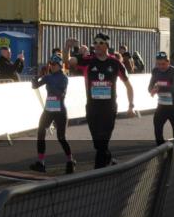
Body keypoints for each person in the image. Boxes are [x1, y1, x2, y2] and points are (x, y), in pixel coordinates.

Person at [79, 33, 135, 169]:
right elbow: (68, 62)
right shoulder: (88, 60)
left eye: (100, 43)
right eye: (95, 43)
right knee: (98, 144)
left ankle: (98, 173)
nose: (97, 45)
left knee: (102, 141)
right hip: (92, 107)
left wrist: (131, 105)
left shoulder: (115, 63)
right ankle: (108, 157)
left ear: (107, 46)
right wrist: (67, 47)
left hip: (109, 108)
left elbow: (128, 85)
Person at [29, 53, 75, 174]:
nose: (52, 66)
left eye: (54, 64)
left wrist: (48, 81)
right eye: (51, 64)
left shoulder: (64, 78)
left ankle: (70, 160)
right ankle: (41, 162)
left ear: (60, 66)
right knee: (40, 132)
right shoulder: (48, 77)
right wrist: (38, 76)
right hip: (49, 109)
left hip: (59, 109)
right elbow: (34, 86)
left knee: (61, 137)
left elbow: (61, 93)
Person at [149, 52, 174, 145]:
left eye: (163, 64)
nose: (161, 66)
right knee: (157, 129)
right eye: (158, 64)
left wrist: (158, 87)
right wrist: (152, 89)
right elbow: (150, 87)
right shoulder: (155, 71)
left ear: (168, 62)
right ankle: (161, 150)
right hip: (162, 106)